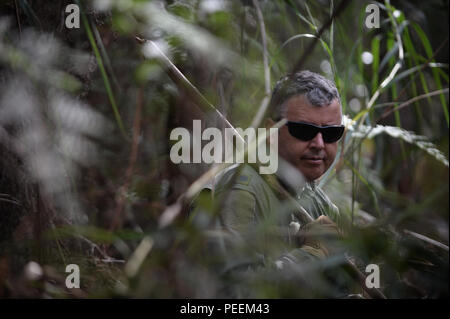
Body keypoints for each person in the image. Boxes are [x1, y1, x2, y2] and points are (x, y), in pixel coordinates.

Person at [191, 70, 351, 297]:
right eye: (304, 130)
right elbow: (237, 295)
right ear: (270, 130)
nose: (319, 143)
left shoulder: (316, 201)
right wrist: (313, 254)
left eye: (331, 133)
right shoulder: (240, 190)